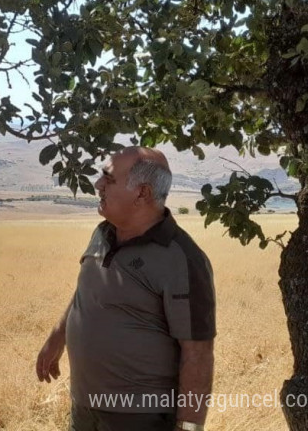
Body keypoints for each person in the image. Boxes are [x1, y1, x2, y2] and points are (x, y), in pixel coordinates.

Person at [36, 147, 216, 431]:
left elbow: (198, 353)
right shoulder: (102, 233)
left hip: (139, 418)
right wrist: (57, 337)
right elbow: (88, 290)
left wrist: (189, 427)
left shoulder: (182, 258)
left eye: (108, 178)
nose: (98, 185)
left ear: (142, 193)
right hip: (85, 407)